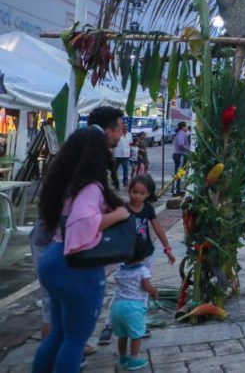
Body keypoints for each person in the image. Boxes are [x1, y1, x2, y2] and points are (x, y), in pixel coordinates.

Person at [32, 127, 130, 372]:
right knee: (75, 340)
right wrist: (118, 215)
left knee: (58, 334)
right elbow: (84, 224)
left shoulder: (65, 183)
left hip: (53, 260)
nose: (111, 151)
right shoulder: (90, 187)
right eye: (106, 148)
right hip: (76, 266)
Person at [97, 175, 175, 346]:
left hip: (145, 255)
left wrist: (167, 248)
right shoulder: (123, 210)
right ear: (129, 191)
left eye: (142, 193)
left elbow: (158, 228)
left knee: (143, 290)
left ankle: (139, 322)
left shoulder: (148, 209)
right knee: (121, 290)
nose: (137, 196)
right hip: (126, 257)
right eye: (134, 191)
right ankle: (109, 325)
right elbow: (112, 230)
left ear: (148, 194)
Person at [109, 256, 159, 371]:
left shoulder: (119, 270)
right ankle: (133, 360)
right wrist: (155, 291)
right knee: (136, 336)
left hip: (117, 306)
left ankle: (123, 358)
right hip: (133, 308)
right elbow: (146, 286)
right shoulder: (142, 270)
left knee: (122, 335)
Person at [171, 122, 190, 196]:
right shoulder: (181, 133)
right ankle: (175, 191)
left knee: (180, 173)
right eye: (186, 126)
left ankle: (177, 190)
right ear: (183, 127)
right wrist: (188, 148)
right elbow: (181, 144)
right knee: (178, 173)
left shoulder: (179, 133)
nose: (187, 127)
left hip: (179, 155)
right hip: (180, 155)